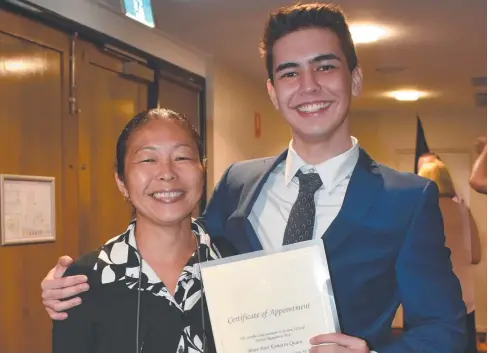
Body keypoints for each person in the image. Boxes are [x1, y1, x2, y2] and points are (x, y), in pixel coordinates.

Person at [42, 3, 467, 353]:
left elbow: (443, 330)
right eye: (289, 73)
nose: (308, 86)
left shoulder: (408, 199)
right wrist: (75, 284)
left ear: (354, 79)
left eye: (325, 67)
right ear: (272, 91)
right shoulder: (238, 183)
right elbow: (179, 252)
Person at [51, 108, 238, 353]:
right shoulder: (84, 282)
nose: (168, 173)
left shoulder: (232, 262)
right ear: (121, 181)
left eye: (182, 157)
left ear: (202, 170)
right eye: (148, 160)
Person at [418, 159, 481, 353]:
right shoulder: (463, 210)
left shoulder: (419, 211)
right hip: (463, 298)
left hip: (428, 298)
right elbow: (476, 256)